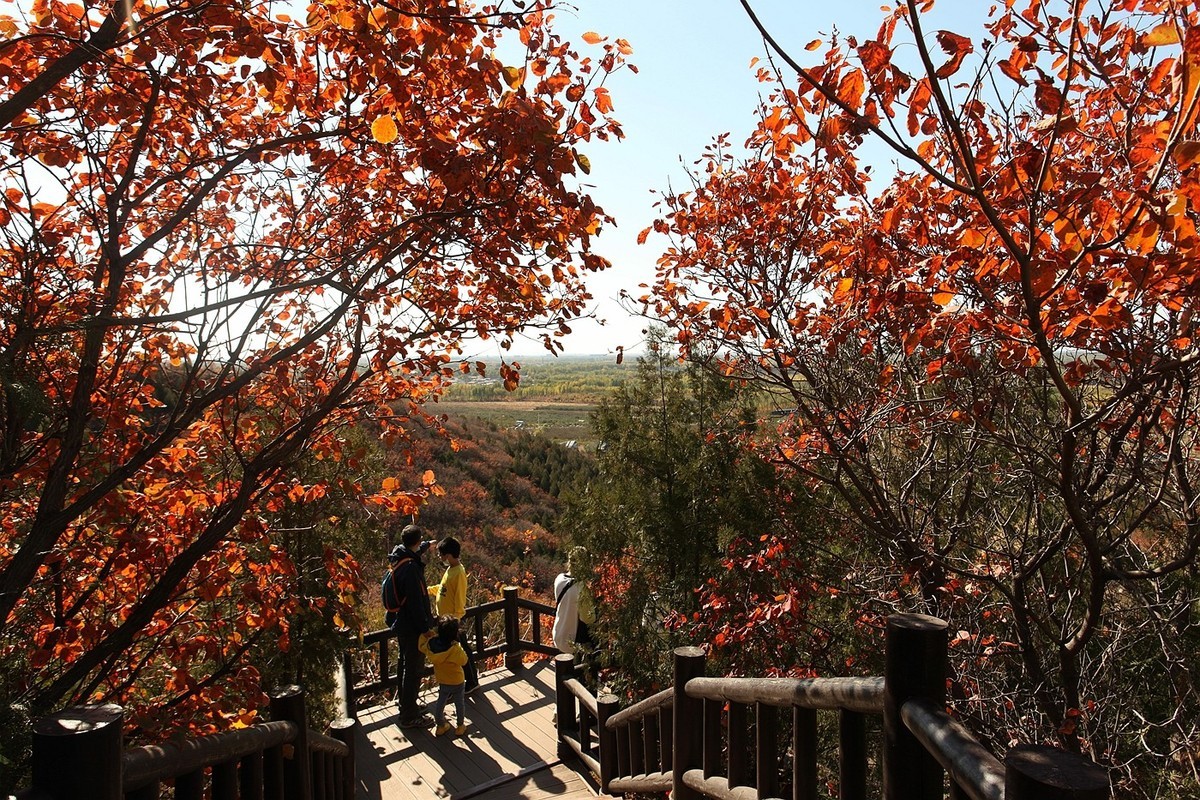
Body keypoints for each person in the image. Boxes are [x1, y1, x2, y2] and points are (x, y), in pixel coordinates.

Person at [387, 524, 437, 728]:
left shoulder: (399, 557)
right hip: (412, 626)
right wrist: (425, 627)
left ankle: (406, 704)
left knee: (404, 664)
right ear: (416, 541)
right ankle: (409, 715)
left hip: (402, 623)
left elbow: (414, 549)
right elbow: (416, 602)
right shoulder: (411, 569)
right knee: (414, 669)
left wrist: (426, 545)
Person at [429, 536, 479, 692]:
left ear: (448, 555)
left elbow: (459, 598)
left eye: (441, 555)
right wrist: (429, 590)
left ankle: (470, 682)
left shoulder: (458, 572)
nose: (440, 557)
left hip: (452, 621)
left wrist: (455, 620)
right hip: (447, 620)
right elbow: (444, 589)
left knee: (461, 651)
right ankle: (467, 682)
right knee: (460, 650)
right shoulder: (451, 570)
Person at [419, 616, 469, 736]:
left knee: (441, 702)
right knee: (459, 703)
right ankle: (460, 725)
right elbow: (464, 660)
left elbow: (421, 645)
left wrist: (426, 634)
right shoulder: (455, 649)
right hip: (457, 680)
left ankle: (440, 725)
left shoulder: (432, 645)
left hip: (442, 679)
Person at [552, 546, 596, 657]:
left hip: (559, 634)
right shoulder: (581, 588)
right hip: (573, 643)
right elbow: (588, 619)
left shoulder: (559, 579)